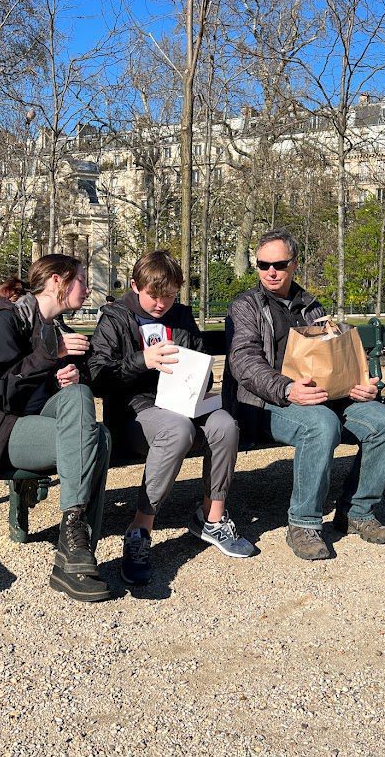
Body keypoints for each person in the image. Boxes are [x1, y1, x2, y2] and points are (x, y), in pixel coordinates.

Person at [223, 228, 385, 561]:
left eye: (278, 264)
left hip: (323, 398)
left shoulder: (311, 306)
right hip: (263, 403)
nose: (270, 272)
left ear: (294, 264)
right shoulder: (246, 306)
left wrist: (358, 385)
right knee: (320, 425)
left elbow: (334, 357)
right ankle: (303, 524)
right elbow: (244, 362)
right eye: (263, 265)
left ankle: (357, 512)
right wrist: (287, 388)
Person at [0, 255, 111, 603]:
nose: (87, 286)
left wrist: (74, 374)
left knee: (84, 403)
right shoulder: (5, 323)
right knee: (95, 439)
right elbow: (1, 394)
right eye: (81, 279)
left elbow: (84, 382)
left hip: (38, 426)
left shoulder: (57, 328)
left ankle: (75, 541)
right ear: (56, 281)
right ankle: (76, 552)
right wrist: (52, 355)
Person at [88, 250, 255, 587]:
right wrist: (143, 361)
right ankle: (140, 529)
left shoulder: (181, 317)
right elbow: (97, 377)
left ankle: (212, 518)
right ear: (135, 286)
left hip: (184, 403)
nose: (162, 304)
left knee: (224, 424)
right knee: (177, 430)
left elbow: (201, 365)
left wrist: (198, 377)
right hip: (136, 412)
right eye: (154, 295)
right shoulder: (116, 318)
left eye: (170, 296)